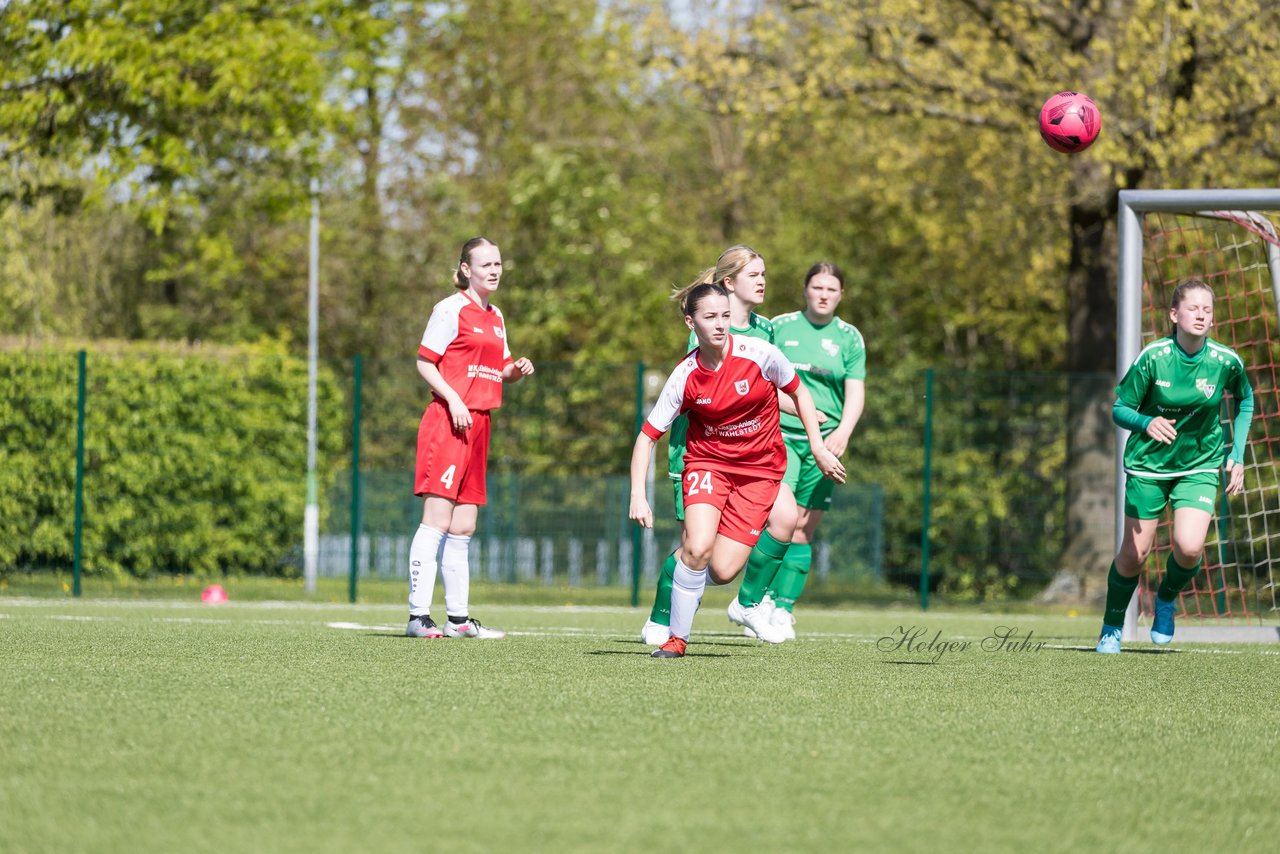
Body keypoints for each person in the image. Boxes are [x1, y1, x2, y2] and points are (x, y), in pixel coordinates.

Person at [629, 280, 845, 658]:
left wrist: (818, 447)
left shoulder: (760, 354)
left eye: (725, 316)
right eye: (710, 317)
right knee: (697, 547)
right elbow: (647, 437)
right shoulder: (685, 375)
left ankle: (718, 593)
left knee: (724, 570)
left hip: (759, 471)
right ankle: (675, 640)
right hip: (708, 465)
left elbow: (799, 392)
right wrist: (637, 496)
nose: (719, 324)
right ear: (690, 323)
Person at [1095, 278, 1253, 653]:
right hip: (1148, 465)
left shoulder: (1225, 361)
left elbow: (1245, 400)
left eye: (1207, 309)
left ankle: (1165, 599)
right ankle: (1111, 626)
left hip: (1198, 464)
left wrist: (1237, 455)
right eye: (1193, 308)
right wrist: (1146, 422)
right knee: (1135, 555)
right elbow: (1119, 408)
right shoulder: (1153, 357)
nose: (1201, 315)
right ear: (1174, 314)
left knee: (1189, 546)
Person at [406, 237, 535, 640]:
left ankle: (458, 620)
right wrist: (453, 398)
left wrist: (517, 370)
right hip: (449, 421)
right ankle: (417, 617)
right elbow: (425, 362)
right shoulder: (449, 309)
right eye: (485, 264)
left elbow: (502, 367)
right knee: (437, 521)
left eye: (498, 263)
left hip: (480, 424)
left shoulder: (496, 316)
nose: (494, 270)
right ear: (465, 269)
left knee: (463, 525)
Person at [744, 261, 865, 640]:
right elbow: (760, 374)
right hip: (780, 436)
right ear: (805, 290)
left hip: (825, 442)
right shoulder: (778, 327)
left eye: (831, 289)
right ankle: (757, 602)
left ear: (841, 294)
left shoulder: (849, 338)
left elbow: (855, 391)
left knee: (804, 528)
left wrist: (843, 432)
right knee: (780, 518)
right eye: (817, 287)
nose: (824, 294)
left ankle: (783, 610)